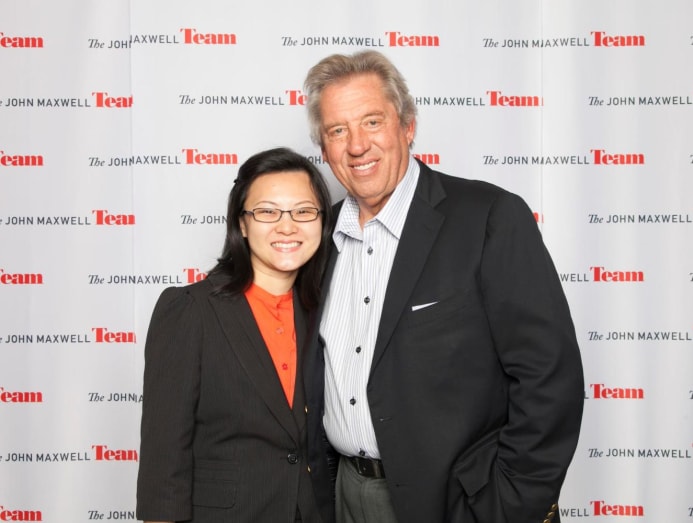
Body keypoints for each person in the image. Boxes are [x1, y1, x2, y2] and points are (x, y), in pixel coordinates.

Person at [302, 50, 584, 523]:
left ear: (407, 126)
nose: (357, 145)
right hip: (346, 495)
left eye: (372, 121)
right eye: (337, 131)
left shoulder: (488, 217)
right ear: (324, 149)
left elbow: (549, 376)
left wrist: (510, 504)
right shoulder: (318, 238)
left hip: (460, 502)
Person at [136, 147, 333, 523]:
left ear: (322, 222)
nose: (287, 227)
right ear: (241, 224)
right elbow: (163, 459)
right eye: (267, 212)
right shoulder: (190, 310)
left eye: (304, 211)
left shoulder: (322, 312)